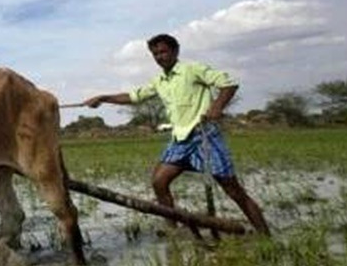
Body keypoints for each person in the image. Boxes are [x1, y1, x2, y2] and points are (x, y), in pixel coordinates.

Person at [81, 34, 271, 235]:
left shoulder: (192, 70)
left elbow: (229, 84)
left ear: (175, 51)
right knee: (159, 182)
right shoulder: (159, 81)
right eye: (155, 54)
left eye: (163, 52)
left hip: (203, 136)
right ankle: (172, 229)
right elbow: (134, 96)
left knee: (233, 190)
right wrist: (103, 98)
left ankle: (265, 234)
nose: (159, 57)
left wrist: (217, 107)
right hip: (180, 140)